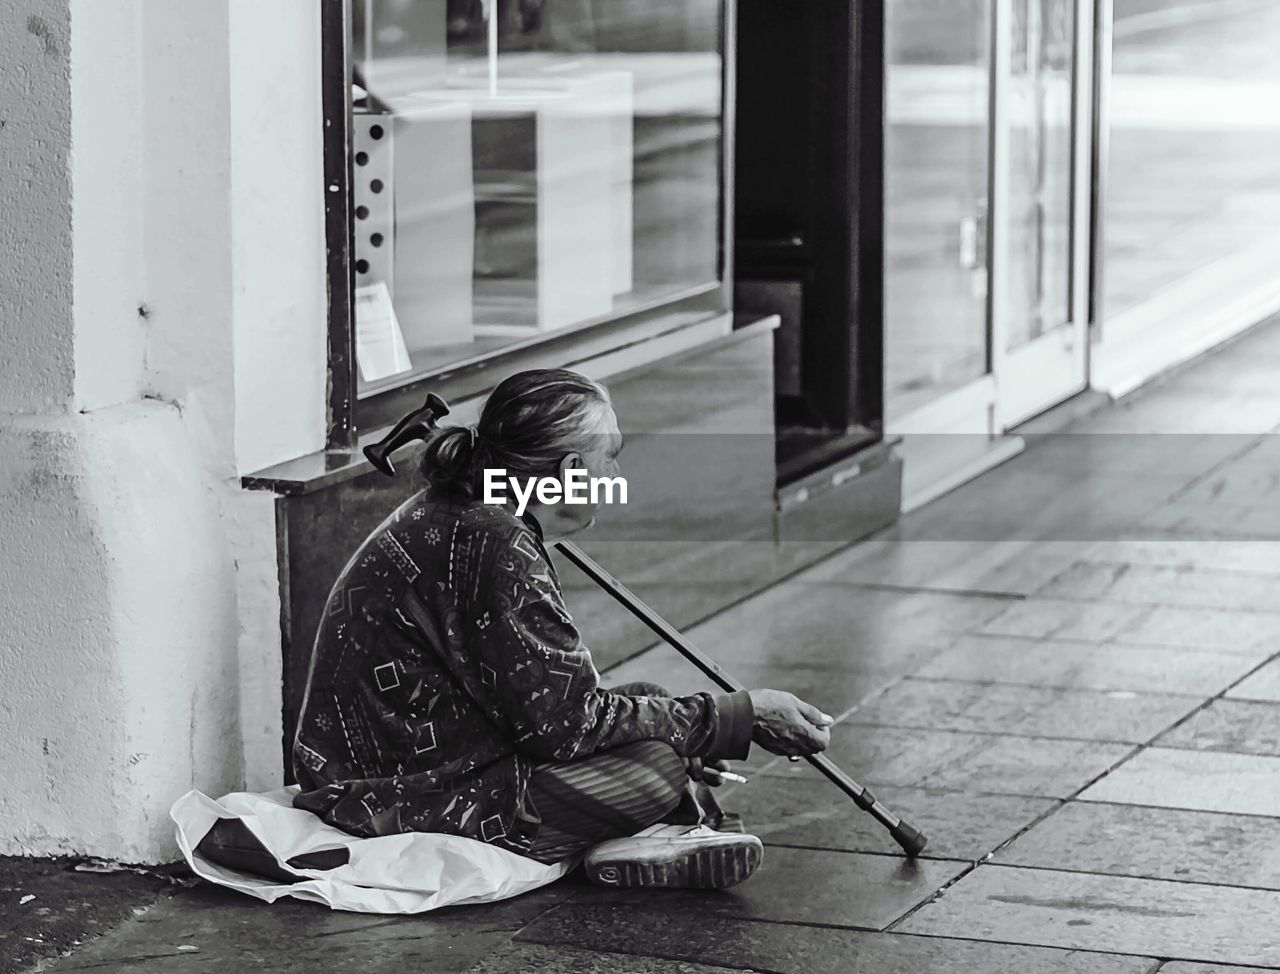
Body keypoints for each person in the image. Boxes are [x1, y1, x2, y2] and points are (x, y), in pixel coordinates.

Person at [288, 369, 834, 889]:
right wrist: (733, 718)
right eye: (610, 459)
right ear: (570, 469)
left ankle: (654, 836)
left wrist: (690, 722)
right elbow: (567, 726)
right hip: (392, 790)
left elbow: (550, 706)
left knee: (651, 704)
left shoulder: (473, 513)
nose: (617, 477)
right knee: (656, 767)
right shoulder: (496, 541)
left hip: (416, 754)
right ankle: (641, 834)